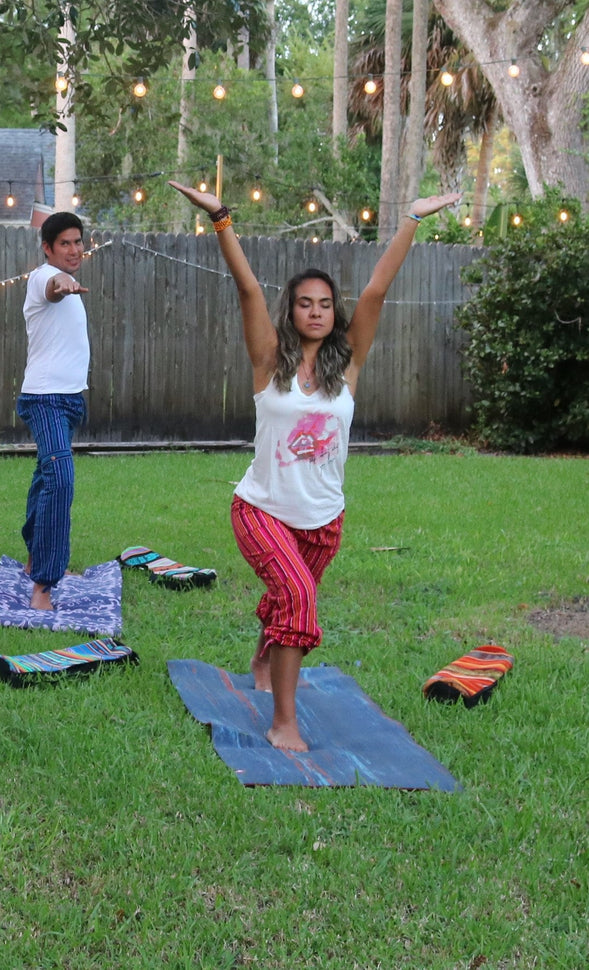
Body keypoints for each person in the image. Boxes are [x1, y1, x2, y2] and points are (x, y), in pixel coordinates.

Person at [170, 180, 461, 752]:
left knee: (289, 599)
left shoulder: (347, 364)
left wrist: (413, 219)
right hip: (262, 510)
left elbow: (376, 292)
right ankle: (284, 721)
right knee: (298, 599)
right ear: (292, 310)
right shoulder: (267, 362)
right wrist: (221, 218)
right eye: (306, 303)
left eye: (325, 304)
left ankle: (261, 654)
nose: (317, 312)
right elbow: (248, 289)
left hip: (324, 521)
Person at [18, 212, 91, 610]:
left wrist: (69, 284)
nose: (75, 249)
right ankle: (44, 584)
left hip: (70, 400)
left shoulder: (73, 286)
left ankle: (34, 555)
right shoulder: (41, 278)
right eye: (65, 243)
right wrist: (61, 282)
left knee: (46, 478)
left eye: (78, 242)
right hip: (45, 399)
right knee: (61, 480)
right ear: (48, 248)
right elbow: (51, 286)